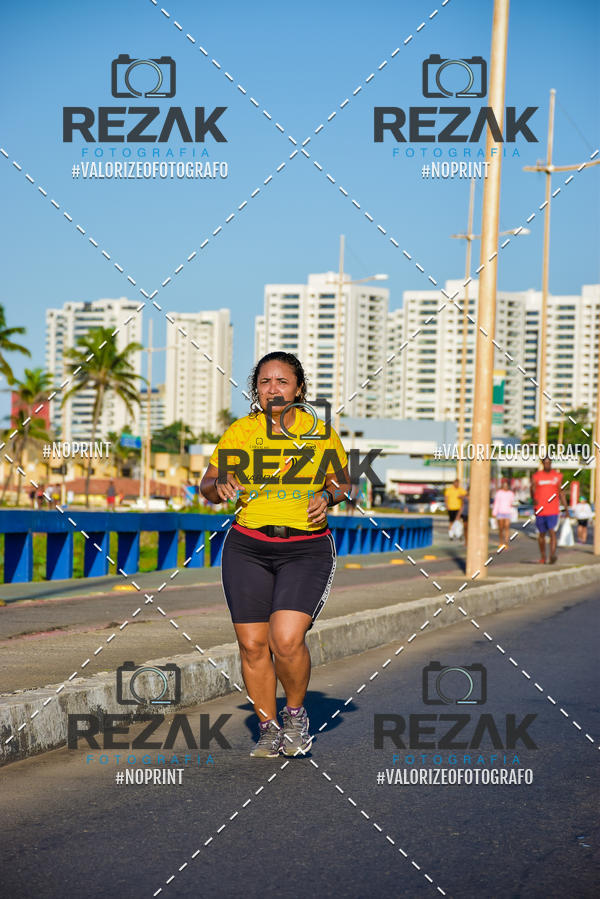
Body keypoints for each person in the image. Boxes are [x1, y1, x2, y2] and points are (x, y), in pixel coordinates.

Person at [200, 352, 351, 759]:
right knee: (252, 645)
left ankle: (296, 715)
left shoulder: (319, 432)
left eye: (282, 381)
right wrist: (221, 483)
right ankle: (267, 727)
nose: (273, 388)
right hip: (247, 545)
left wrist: (327, 495)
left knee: (285, 639)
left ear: (298, 388)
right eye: (265, 381)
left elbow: (342, 482)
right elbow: (208, 486)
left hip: (305, 548)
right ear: (256, 390)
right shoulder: (242, 432)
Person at [530, 456, 568, 564]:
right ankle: (543, 556)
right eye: (545, 463)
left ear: (551, 463)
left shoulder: (557, 476)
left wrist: (566, 509)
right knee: (541, 534)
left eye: (549, 463)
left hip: (553, 510)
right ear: (542, 463)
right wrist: (534, 499)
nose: (547, 464)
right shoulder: (536, 476)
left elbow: (561, 492)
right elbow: (532, 488)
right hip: (540, 510)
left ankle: (552, 555)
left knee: (552, 532)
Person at [492, 478, 516, 549]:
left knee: (507, 527)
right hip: (500, 512)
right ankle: (501, 541)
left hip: (507, 512)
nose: (505, 487)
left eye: (506, 486)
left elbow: (512, 502)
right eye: (504, 485)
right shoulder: (499, 493)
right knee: (501, 528)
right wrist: (494, 512)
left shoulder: (510, 493)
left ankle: (506, 542)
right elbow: (496, 503)